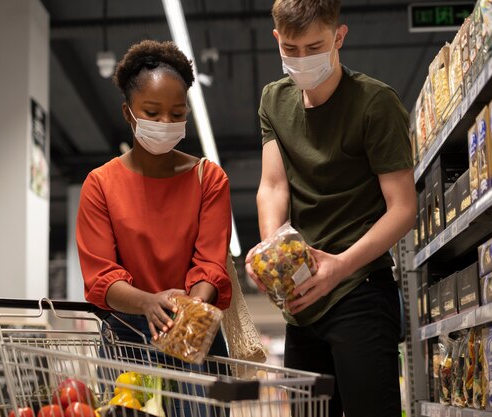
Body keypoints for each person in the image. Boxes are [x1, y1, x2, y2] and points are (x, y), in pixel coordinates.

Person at [245, 1, 417, 416]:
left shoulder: (376, 104)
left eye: (314, 46)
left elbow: (403, 208)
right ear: (276, 40)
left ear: (339, 37)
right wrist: (273, 252)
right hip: (303, 305)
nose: (301, 59)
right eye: (291, 48)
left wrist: (338, 266)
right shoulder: (274, 100)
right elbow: (272, 185)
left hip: (360, 290)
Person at [76, 40, 232, 359]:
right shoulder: (101, 184)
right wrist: (148, 302)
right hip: (126, 335)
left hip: (193, 327)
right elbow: (101, 277)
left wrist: (192, 306)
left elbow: (210, 265)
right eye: (151, 112)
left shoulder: (209, 179)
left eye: (176, 114)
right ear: (128, 113)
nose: (165, 123)